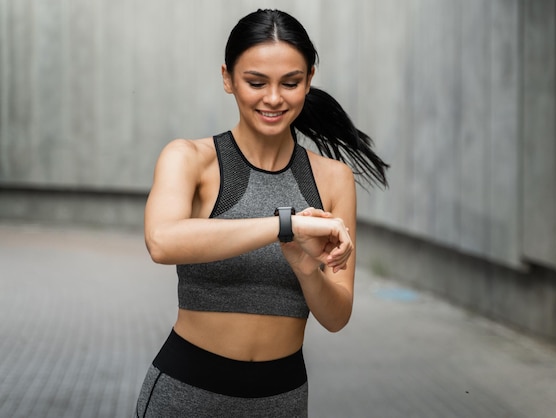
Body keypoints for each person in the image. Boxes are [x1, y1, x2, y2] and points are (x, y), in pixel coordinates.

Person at [135, 8, 388, 418]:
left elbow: (337, 316)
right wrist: (284, 226)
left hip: (282, 399)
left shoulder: (331, 179)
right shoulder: (191, 159)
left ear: (308, 81)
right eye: (256, 82)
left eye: (290, 83)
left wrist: (307, 268)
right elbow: (162, 242)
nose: (273, 98)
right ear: (227, 78)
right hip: (187, 395)